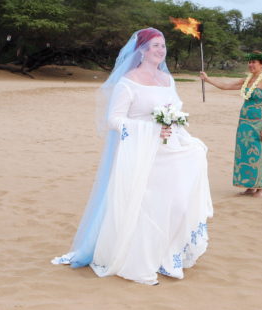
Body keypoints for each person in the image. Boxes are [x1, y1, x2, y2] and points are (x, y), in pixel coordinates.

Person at [53, 28, 214, 285]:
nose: (160, 50)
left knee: (178, 203)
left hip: (169, 149)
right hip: (141, 152)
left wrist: (179, 129)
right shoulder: (128, 81)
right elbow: (114, 119)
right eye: (155, 46)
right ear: (141, 50)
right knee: (147, 204)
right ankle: (140, 259)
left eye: (163, 46)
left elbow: (174, 110)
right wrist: (148, 129)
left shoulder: (167, 80)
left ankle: (166, 254)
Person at [200, 52, 262, 196]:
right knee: (244, 153)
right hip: (244, 121)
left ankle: (260, 186)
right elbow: (225, 86)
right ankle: (249, 186)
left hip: (258, 121)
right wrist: (208, 79)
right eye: (249, 62)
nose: (251, 65)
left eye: (254, 62)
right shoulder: (247, 80)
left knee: (258, 152)